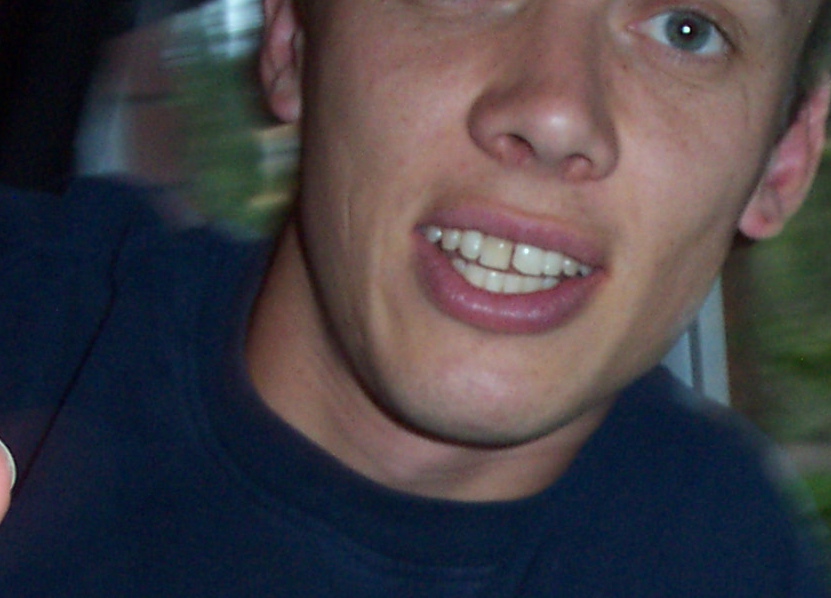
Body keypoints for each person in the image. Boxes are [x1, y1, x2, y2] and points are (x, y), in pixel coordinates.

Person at [0, 0, 830, 595]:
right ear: (291, 39)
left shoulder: (735, 562)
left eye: (686, 31)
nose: (554, 113)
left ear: (783, 161)